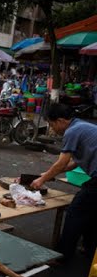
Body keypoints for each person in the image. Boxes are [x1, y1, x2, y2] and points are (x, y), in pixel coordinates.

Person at [31, 103, 97, 262]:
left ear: (60, 120)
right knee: (92, 214)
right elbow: (75, 162)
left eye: (52, 124)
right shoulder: (83, 127)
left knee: (75, 213)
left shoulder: (72, 131)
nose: (52, 128)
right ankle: (90, 251)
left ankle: (63, 256)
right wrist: (47, 174)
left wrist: (42, 179)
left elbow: (62, 162)